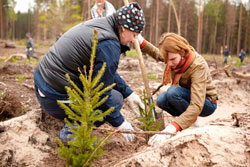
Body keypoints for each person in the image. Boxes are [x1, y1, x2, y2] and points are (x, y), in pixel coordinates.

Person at [33, 2, 145, 143]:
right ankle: (72, 132)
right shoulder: (109, 44)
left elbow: (104, 70)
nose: (132, 40)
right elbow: (101, 93)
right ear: (123, 28)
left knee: (117, 95)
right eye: (134, 35)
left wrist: (129, 93)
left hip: (43, 85)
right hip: (53, 96)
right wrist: (120, 122)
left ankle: (71, 117)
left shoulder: (101, 25)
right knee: (115, 100)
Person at [137, 33, 218, 145]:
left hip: (207, 103)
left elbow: (197, 104)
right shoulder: (174, 57)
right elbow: (157, 54)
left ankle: (192, 123)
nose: (169, 64)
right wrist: (140, 40)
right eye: (167, 60)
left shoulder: (197, 66)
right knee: (161, 100)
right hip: (188, 96)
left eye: (172, 59)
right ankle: (186, 120)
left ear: (182, 52)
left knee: (172, 93)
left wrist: (172, 128)